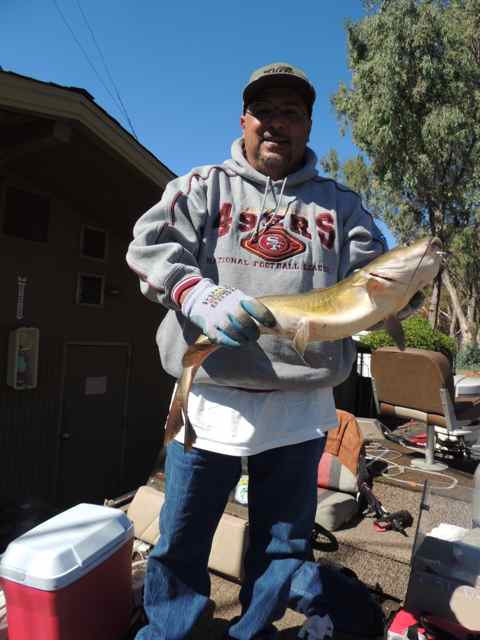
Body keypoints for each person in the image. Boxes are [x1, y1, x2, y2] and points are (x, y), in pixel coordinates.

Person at [126, 62, 386, 640]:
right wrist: (196, 292)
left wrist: (405, 292)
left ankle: (254, 633)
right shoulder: (202, 186)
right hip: (212, 397)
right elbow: (148, 248)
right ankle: (173, 633)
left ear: (308, 126)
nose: (276, 124)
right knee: (184, 536)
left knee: (282, 544)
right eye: (264, 111)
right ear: (243, 120)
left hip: (299, 406)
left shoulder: (341, 206)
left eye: (290, 114)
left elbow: (375, 281)